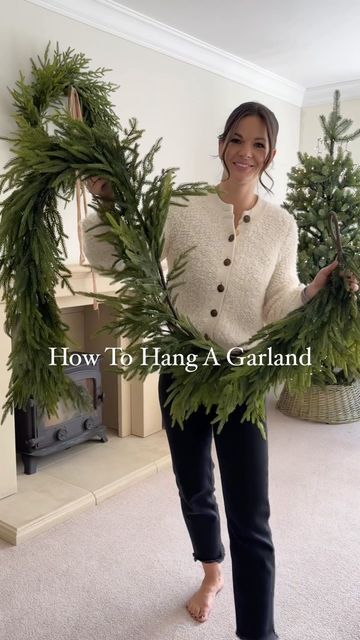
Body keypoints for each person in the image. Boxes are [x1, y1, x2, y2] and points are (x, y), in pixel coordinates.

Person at [84, 101, 358, 640]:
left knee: (251, 513)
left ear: (270, 154)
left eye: (258, 144)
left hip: (242, 380)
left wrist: (313, 291)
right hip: (182, 372)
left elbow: (277, 301)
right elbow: (116, 257)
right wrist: (109, 205)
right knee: (195, 489)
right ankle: (211, 573)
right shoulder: (183, 205)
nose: (245, 152)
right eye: (237, 139)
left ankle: (260, 633)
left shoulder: (282, 225)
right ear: (221, 144)